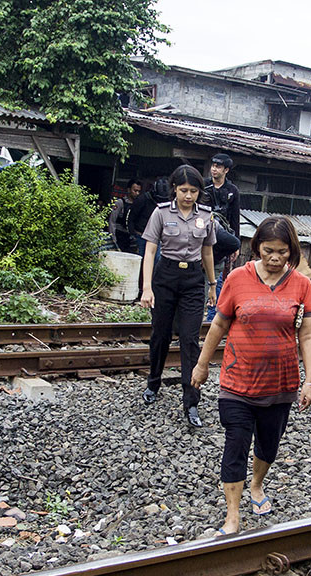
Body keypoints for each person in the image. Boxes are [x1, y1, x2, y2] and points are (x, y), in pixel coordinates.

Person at [191, 216, 311, 535]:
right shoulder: (237, 279)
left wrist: (310, 380)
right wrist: (202, 364)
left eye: (283, 252)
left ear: (292, 251)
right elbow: (219, 325)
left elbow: (308, 335)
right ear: (256, 247)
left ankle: (257, 485)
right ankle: (232, 516)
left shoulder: (301, 285)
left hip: (280, 385)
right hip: (237, 382)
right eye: (268, 250)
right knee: (235, 444)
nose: (275, 258)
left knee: (268, 445)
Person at [140, 165, 217, 427]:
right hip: (165, 278)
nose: (188, 196)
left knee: (189, 340)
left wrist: (213, 284)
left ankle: (191, 401)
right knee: (160, 335)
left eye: (193, 191)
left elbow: (208, 252)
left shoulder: (207, 216)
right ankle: (153, 383)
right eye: (183, 190)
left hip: (193, 281)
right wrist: (146, 287)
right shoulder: (161, 213)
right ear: (175, 188)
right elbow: (150, 251)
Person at [200, 153, 241, 322]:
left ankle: (212, 319)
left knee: (217, 277)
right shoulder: (203, 185)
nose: (214, 169)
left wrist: (236, 245)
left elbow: (235, 218)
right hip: (202, 235)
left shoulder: (232, 191)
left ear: (226, 170)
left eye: (218, 167)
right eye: (213, 165)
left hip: (221, 238)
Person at [107, 179, 142, 252]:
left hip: (131, 238)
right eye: (135, 191)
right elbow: (112, 221)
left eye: (139, 191)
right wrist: (113, 239)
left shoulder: (139, 205)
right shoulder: (120, 203)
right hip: (119, 235)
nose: (137, 193)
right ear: (129, 190)